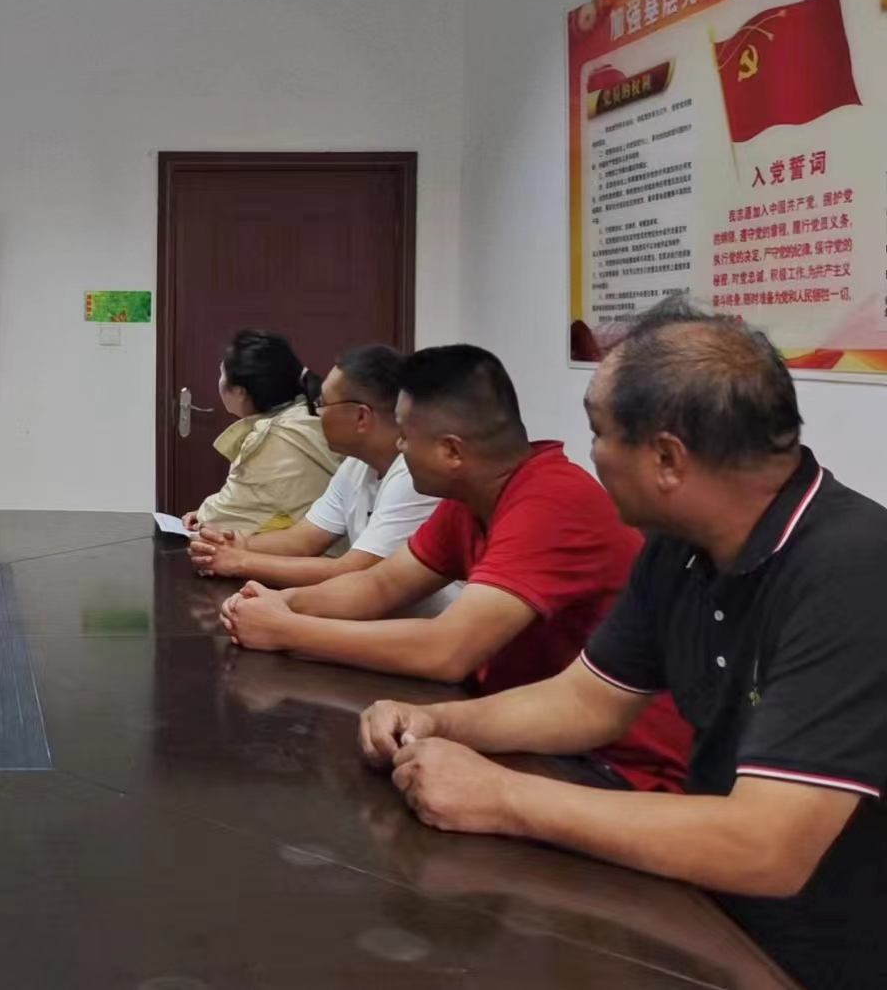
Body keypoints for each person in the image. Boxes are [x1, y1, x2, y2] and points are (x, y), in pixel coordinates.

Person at [362, 303, 885, 989]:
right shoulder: (679, 546)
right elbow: (587, 701)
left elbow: (767, 847)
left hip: (817, 955)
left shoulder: (853, 571)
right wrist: (437, 722)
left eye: (599, 434)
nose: (591, 455)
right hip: (704, 908)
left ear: (666, 458)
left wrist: (501, 797)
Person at [221, 343, 689, 793]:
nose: (399, 445)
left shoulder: (551, 500)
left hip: (617, 764)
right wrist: (279, 602)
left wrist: (287, 631)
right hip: (523, 726)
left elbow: (447, 650)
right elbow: (379, 586)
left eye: (407, 435)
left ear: (452, 451)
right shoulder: (470, 498)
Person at [189, 344, 439, 586]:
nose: (317, 414)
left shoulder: (414, 476)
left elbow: (354, 572)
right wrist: (238, 545)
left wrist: (241, 561)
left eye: (322, 404)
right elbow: (303, 539)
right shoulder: (356, 465)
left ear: (361, 416)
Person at [182, 330, 341, 537]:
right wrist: (207, 511)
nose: (219, 381)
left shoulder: (272, 438)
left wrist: (206, 514)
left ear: (240, 392)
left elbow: (225, 517)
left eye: (222, 374)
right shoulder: (306, 414)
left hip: (314, 552)